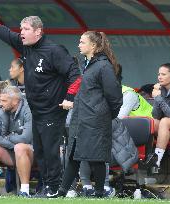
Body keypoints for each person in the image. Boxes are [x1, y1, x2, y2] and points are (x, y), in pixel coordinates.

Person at [0, 6, 81, 197]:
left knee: (50, 150)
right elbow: (4, 33)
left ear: (38, 31)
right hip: (36, 109)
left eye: (26, 30)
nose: (21, 33)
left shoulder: (54, 50)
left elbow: (75, 75)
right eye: (21, 30)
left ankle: (54, 188)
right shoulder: (26, 46)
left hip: (53, 109)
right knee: (40, 151)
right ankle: (46, 186)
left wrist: (69, 98)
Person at [56, 31, 122, 198]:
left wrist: (105, 114)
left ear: (93, 46)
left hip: (95, 119)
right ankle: (62, 192)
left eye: (82, 42)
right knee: (73, 156)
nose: (79, 45)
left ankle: (99, 193)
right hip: (81, 118)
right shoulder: (88, 64)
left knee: (96, 157)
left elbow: (114, 97)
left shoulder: (103, 66)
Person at [0, 86, 33, 197]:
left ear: (15, 101)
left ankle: (25, 191)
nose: (0, 103)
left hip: (33, 153)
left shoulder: (28, 110)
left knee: (20, 147)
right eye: (0, 100)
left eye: (4, 100)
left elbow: (26, 138)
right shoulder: (3, 111)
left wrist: (8, 137)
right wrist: (11, 143)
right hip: (13, 151)